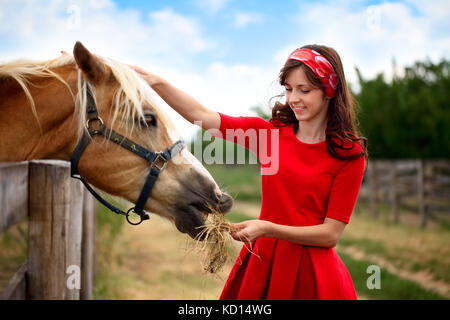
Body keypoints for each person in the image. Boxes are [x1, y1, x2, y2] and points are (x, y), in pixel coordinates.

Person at [131, 44, 368, 300]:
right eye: (288, 89)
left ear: (329, 91)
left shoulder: (348, 155)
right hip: (263, 264)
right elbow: (203, 116)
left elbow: (330, 234)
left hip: (314, 276)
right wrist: (156, 82)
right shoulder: (270, 135)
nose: (293, 99)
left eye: (304, 90)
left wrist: (268, 228)